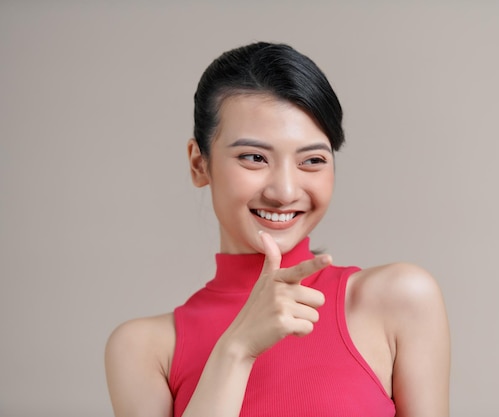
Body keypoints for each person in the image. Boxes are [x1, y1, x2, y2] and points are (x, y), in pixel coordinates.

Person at [105, 42, 450, 417]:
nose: (284, 191)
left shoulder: (399, 300)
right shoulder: (144, 348)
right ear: (199, 164)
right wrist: (236, 349)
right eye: (254, 157)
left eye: (313, 160)